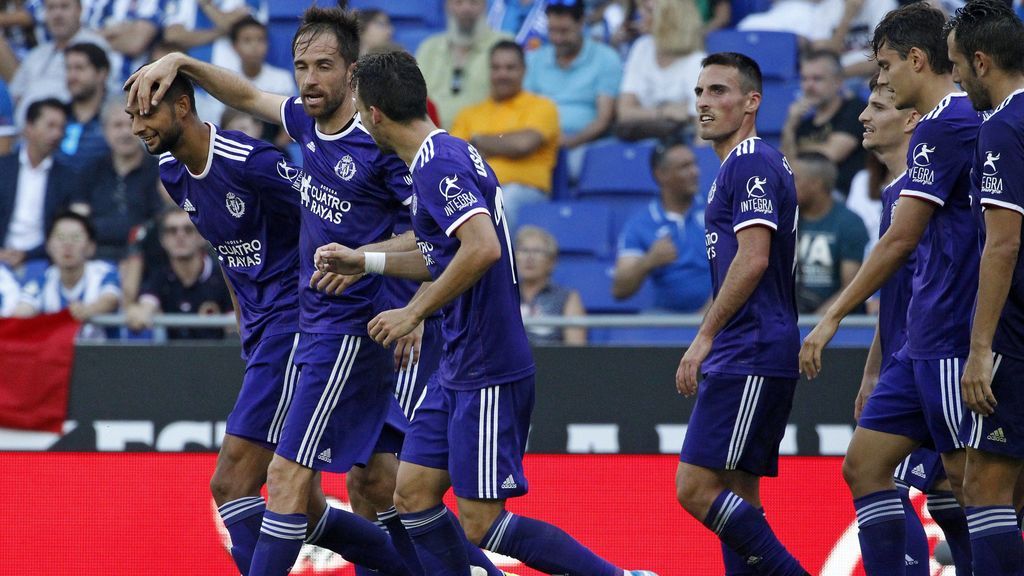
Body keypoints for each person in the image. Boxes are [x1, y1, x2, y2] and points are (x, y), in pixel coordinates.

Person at [316, 49, 656, 576]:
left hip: (487, 365)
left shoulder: (438, 164)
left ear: (376, 113)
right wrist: (367, 262)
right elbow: (440, 254)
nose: (358, 118)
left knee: (480, 522)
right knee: (413, 494)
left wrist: (413, 314)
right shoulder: (448, 152)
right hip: (458, 362)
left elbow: (482, 249)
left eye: (359, 108)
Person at [126, 8, 429, 576]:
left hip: (337, 325)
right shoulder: (301, 126)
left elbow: (437, 240)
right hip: (296, 328)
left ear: (352, 71)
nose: (309, 79)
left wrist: (400, 299)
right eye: (300, 67)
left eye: (323, 66)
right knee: (349, 491)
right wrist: (181, 59)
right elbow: (247, 95)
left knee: (258, 479)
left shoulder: (372, 144)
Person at [800, 3, 982, 574]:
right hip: (919, 338)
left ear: (918, 60)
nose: (879, 83)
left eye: (885, 68)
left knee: (972, 485)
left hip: (954, 331)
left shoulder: (952, 123)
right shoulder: (942, 129)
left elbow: (902, 242)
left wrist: (832, 316)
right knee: (866, 465)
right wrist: (878, 363)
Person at [673, 52, 807, 576]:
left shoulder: (751, 161)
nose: (705, 103)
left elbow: (753, 259)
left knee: (696, 487)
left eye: (718, 91)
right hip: (757, 344)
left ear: (752, 101)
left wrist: (704, 336)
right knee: (737, 492)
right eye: (700, 93)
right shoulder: (740, 165)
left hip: (750, 346)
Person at [854, 73, 953, 575]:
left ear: (912, 118)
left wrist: (830, 318)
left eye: (877, 106)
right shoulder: (896, 192)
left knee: (879, 475)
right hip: (904, 364)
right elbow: (897, 299)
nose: (863, 117)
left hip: (929, 364)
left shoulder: (922, 191)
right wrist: (874, 370)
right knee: (946, 492)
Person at [948, 2, 1024, 573]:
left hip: (1017, 337)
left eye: (956, 66)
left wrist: (980, 350)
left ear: (981, 61)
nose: (954, 79)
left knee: (984, 488)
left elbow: (1001, 244)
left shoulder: (1001, 127)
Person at [450, 40, 559, 231]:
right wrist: (502, 144)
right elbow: (455, 157)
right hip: (475, 190)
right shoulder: (469, 113)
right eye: (496, 68)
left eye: (510, 68)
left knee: (502, 203)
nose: (502, 74)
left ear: (524, 70)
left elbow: (523, 145)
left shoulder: (542, 106)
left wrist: (478, 141)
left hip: (523, 190)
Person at [612, 140, 711, 312]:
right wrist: (648, 261)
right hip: (668, 317)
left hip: (723, 313)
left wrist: (709, 315)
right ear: (661, 175)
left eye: (694, 164)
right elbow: (619, 290)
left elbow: (739, 269)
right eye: (684, 167)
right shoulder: (641, 224)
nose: (695, 172)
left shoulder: (716, 208)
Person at [525, 0, 622, 162]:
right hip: (537, 142)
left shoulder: (606, 58)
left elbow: (603, 119)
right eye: (552, 30)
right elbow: (524, 108)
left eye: (564, 31)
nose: (557, 38)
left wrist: (569, 142)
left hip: (585, 145)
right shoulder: (534, 59)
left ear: (582, 23)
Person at [71, 100, 163, 262]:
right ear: (104, 130)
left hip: (145, 259)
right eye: (117, 126)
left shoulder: (159, 171)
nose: (126, 133)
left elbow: (159, 221)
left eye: (131, 124)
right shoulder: (90, 172)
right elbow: (79, 220)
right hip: (94, 259)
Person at [124, 208, 233, 341]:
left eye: (188, 229)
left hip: (219, 358)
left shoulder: (223, 276)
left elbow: (238, 323)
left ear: (202, 237)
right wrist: (138, 312)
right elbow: (147, 305)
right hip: (173, 358)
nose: (180, 236)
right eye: (172, 231)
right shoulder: (160, 276)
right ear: (163, 240)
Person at [13, 211, 120, 339]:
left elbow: (110, 299)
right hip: (57, 357)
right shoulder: (42, 281)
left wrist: (89, 310)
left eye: (76, 237)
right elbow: (22, 310)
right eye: (61, 237)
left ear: (91, 247)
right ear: (48, 246)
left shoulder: (105, 273)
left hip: (103, 356)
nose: (68, 244)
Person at [0, 97, 78, 269]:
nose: (57, 134)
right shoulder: (3, 168)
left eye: (61, 128)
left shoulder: (67, 178)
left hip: (44, 262)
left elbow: (63, 229)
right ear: (28, 127)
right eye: (50, 126)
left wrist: (27, 255)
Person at [8, 0, 111, 127]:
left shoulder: (95, 46)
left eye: (64, 7)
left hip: (71, 131)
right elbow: (15, 95)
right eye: (51, 8)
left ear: (79, 10)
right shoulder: (37, 54)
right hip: (26, 136)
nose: (57, 14)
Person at [615, 0, 705, 142]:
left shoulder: (696, 61)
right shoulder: (641, 47)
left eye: (649, 11)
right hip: (643, 140)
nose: (640, 14)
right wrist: (665, 112)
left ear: (671, 17)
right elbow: (624, 112)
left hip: (682, 145)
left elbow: (703, 128)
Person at [781, 49, 866, 197]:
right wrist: (789, 126)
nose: (809, 86)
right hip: (806, 196)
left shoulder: (855, 110)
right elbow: (785, 167)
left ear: (838, 82)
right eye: (804, 79)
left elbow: (830, 155)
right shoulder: (802, 123)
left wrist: (797, 149)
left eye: (817, 79)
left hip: (844, 196)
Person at [792, 151, 868, 314]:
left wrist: (814, 324)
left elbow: (851, 288)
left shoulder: (849, 223)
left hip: (838, 325)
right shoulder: (785, 219)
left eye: (795, 179)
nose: (787, 185)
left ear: (816, 184)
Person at [416, 0, 508, 130]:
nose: (466, 9)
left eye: (474, 3)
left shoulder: (503, 45)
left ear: (485, 7)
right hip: (433, 138)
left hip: (486, 138)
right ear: (447, 7)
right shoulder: (428, 48)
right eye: (458, 3)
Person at [516, 225, 587, 346]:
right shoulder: (504, 295)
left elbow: (576, 351)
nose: (529, 258)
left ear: (551, 262)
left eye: (537, 251)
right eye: (524, 250)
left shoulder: (567, 297)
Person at [60, 42, 112, 171]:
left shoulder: (117, 118)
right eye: (68, 68)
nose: (72, 76)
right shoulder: (58, 116)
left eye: (79, 68)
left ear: (102, 73)